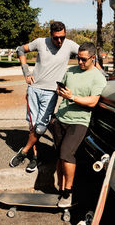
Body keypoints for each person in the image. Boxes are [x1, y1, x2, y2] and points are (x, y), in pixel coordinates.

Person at [9, 21, 79, 172]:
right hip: (34, 89)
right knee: (33, 126)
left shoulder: (70, 45)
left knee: (40, 128)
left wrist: (100, 72)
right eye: (56, 38)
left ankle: (24, 151)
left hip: (51, 93)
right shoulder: (40, 42)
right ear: (50, 35)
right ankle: (35, 157)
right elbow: (20, 50)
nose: (59, 41)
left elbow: (88, 54)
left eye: (62, 37)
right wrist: (26, 72)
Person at [51, 42, 107, 208]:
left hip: (79, 121)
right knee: (60, 157)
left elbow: (92, 102)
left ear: (92, 58)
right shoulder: (71, 71)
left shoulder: (98, 77)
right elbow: (60, 90)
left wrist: (72, 97)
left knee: (66, 154)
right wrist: (60, 91)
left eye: (83, 59)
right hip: (61, 119)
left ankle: (68, 193)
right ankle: (61, 189)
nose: (80, 62)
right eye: (77, 58)